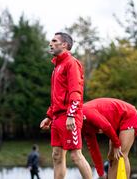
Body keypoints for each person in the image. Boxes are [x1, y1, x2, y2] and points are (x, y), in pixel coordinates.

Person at [40, 32, 92, 179]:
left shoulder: (71, 63)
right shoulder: (56, 66)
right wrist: (49, 116)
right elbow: (56, 96)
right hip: (56, 118)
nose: (50, 43)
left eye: (54, 40)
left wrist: (71, 115)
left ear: (64, 45)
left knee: (76, 156)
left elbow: (76, 91)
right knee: (56, 156)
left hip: (70, 116)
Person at [81, 98, 137, 179]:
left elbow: (106, 126)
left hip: (129, 115)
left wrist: (116, 145)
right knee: (111, 157)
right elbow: (93, 150)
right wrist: (101, 173)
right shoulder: (83, 128)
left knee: (121, 153)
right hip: (115, 123)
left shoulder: (86, 112)